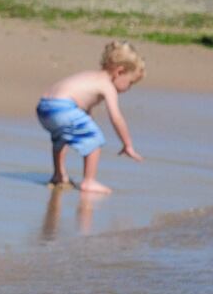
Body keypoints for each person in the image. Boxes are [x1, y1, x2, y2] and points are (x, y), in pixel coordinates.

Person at [37, 42, 145, 194]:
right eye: (130, 82)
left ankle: (59, 175)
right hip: (63, 107)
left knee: (61, 138)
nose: (129, 88)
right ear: (119, 72)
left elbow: (82, 107)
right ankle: (89, 181)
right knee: (94, 138)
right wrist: (127, 145)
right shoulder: (107, 85)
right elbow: (116, 117)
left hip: (45, 106)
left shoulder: (89, 76)